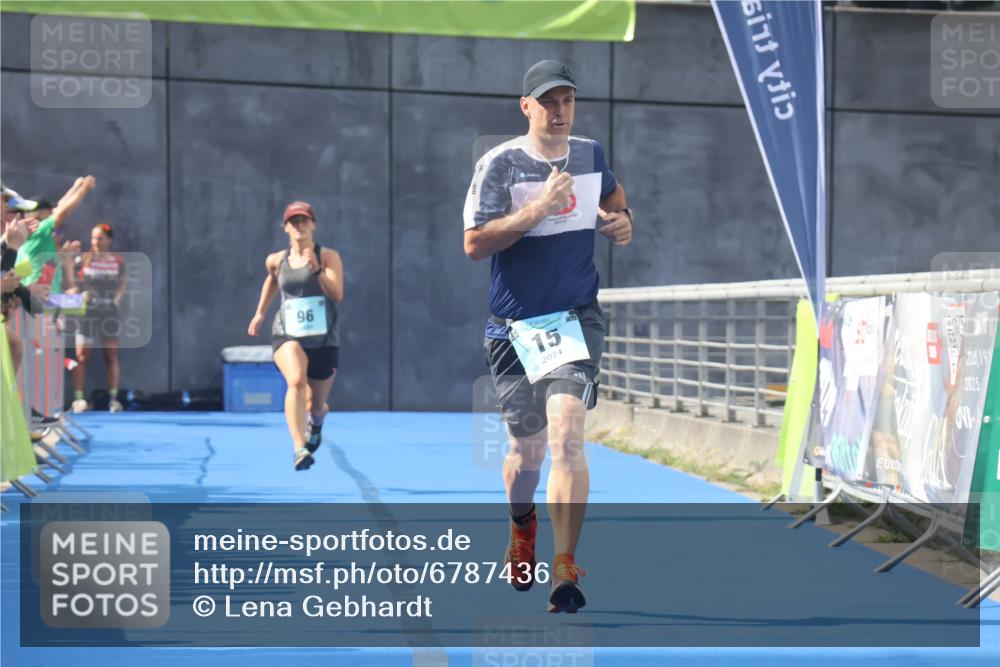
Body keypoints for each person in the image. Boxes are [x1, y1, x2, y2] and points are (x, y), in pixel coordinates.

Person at [463, 60, 633, 613]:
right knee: (525, 451)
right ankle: (521, 525)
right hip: (513, 328)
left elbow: (612, 192)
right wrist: (537, 208)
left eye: (567, 101)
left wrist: (622, 216)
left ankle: (565, 567)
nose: (560, 112)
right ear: (527, 106)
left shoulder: (589, 153)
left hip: (574, 318)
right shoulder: (500, 164)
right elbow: (474, 244)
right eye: (549, 102)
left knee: (566, 434)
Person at [248, 202, 343, 471]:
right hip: (287, 333)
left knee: (316, 405)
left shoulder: (327, 257)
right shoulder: (276, 260)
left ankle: (317, 422)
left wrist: (317, 271)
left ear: (313, 224)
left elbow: (337, 295)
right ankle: (299, 447)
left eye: (304, 220)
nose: (299, 226)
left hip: (324, 339)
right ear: (286, 227)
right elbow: (272, 279)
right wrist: (259, 314)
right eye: (294, 221)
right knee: (297, 381)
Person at [66, 223, 126, 413]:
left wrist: (116, 299)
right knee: (82, 356)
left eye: (100, 238)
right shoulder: (83, 259)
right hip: (86, 313)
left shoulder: (117, 262)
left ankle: (114, 400)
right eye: (93, 238)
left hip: (109, 313)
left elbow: (123, 284)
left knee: (111, 355)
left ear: (109, 240)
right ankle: (79, 400)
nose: (96, 242)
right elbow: (71, 280)